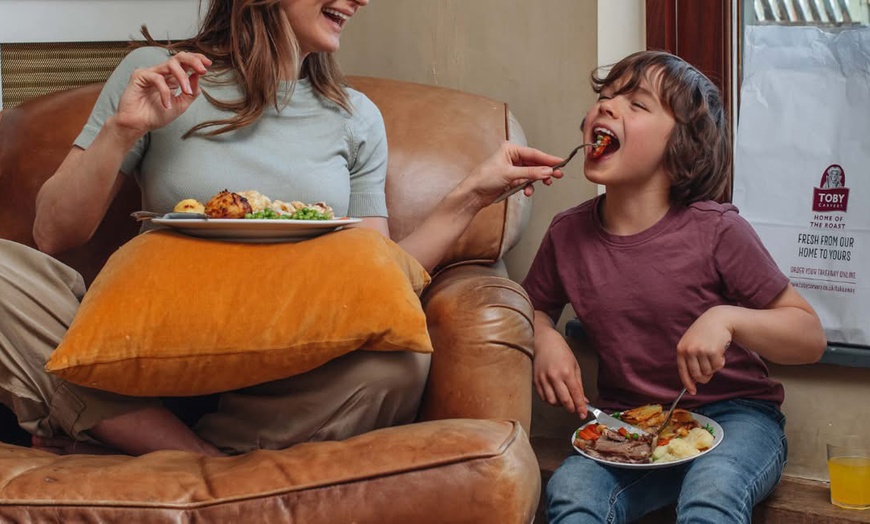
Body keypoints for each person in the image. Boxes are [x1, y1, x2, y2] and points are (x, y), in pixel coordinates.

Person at [0, 0, 563, 457]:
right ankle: (203, 462)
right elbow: (53, 235)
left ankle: (137, 441)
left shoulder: (354, 116)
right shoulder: (157, 75)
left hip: (288, 368)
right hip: (140, 346)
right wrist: (123, 130)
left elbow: (377, 269)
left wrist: (469, 198)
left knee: (398, 363)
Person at [522, 50, 826, 524]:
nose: (607, 106)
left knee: (714, 492)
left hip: (738, 418)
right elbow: (531, 308)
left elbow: (809, 337)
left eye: (637, 104)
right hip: (630, 424)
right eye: (604, 97)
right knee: (572, 489)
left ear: (682, 145)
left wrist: (725, 318)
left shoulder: (718, 231)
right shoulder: (567, 235)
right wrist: (544, 337)